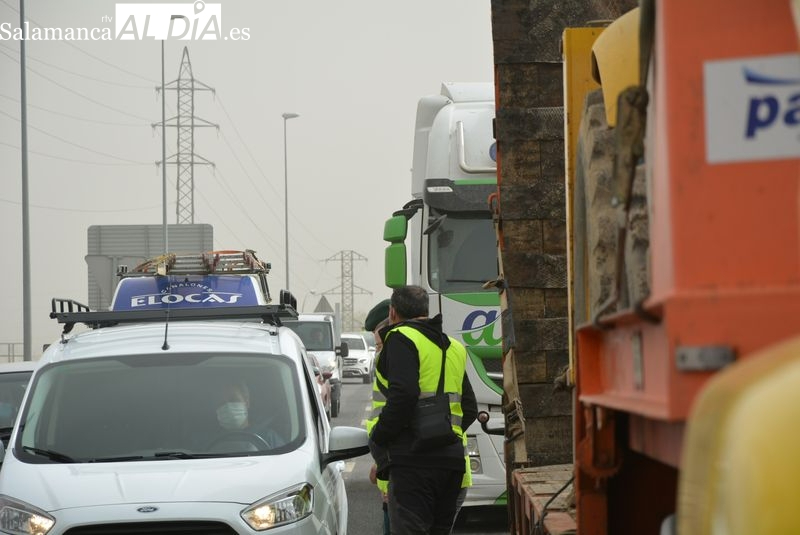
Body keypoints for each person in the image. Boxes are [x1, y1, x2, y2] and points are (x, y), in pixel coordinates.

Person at [367, 285, 477, 535]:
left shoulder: (399, 337)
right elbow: (468, 407)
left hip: (412, 464)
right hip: (451, 463)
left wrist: (380, 438)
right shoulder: (453, 346)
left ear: (393, 312)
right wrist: (444, 432)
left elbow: (404, 395)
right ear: (426, 311)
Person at [212, 380, 284, 450]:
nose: (227, 405)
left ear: (246, 402)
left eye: (233, 400)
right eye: (221, 402)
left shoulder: (269, 437)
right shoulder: (210, 440)